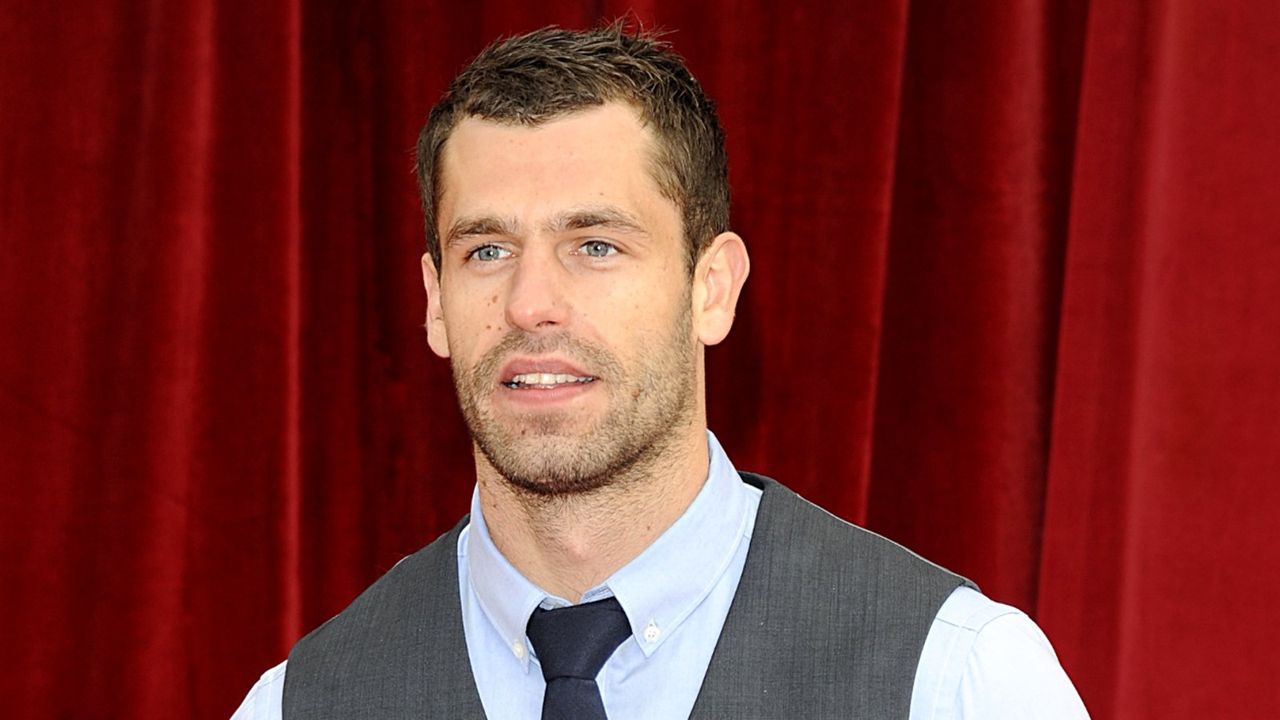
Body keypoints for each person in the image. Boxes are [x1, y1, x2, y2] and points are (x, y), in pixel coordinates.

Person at [233, 24, 1089, 720]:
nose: (532, 302)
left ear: (710, 290)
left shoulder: (955, 680)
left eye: (596, 245)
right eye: (487, 250)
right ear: (434, 302)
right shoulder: (299, 705)